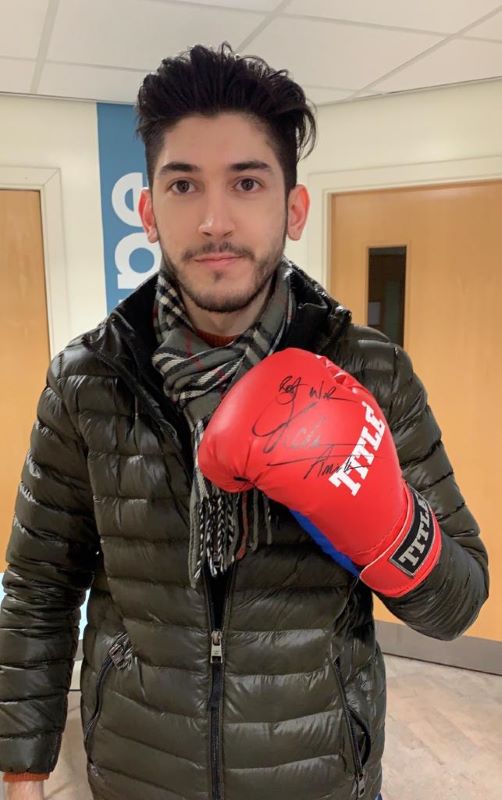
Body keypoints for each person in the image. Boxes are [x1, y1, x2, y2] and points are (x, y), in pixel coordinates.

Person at [0, 42, 488, 800]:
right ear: (148, 209)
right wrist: (24, 769)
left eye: (247, 181)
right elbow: (37, 588)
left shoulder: (373, 371)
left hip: (318, 773)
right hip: (138, 770)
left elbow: (457, 604)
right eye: (184, 184)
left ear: (293, 209)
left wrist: (390, 524)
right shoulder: (86, 380)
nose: (215, 219)